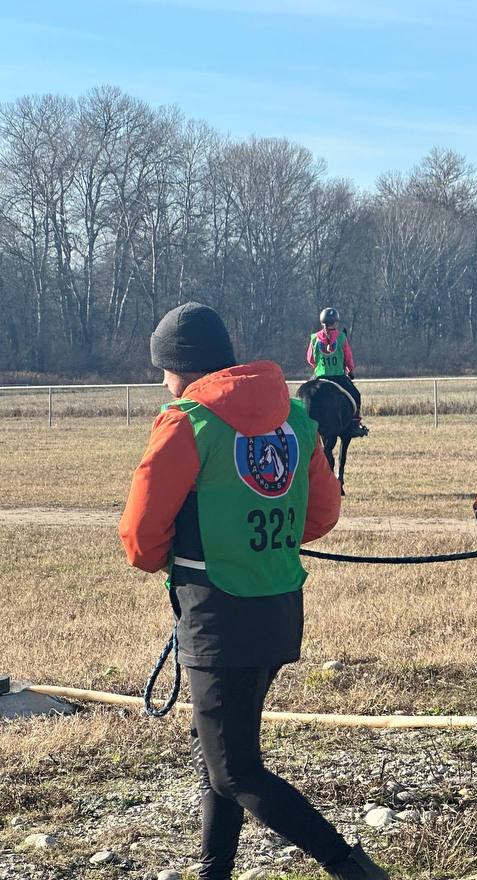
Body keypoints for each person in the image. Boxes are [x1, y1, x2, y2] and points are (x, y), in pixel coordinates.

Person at [119, 302, 389, 880]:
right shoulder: (295, 417)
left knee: (236, 770)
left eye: (163, 370)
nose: (162, 382)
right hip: (278, 611)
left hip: (216, 617)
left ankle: (353, 868)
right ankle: (211, 871)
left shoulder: (186, 423)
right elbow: (321, 514)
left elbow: (140, 541)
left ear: (180, 367)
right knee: (220, 753)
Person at [308, 307, 368, 437]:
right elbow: (348, 358)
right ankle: (355, 424)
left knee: (304, 396)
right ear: (335, 323)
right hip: (338, 377)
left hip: (319, 376)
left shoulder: (314, 338)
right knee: (356, 395)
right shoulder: (341, 337)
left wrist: (318, 366)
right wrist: (350, 370)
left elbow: (310, 359)